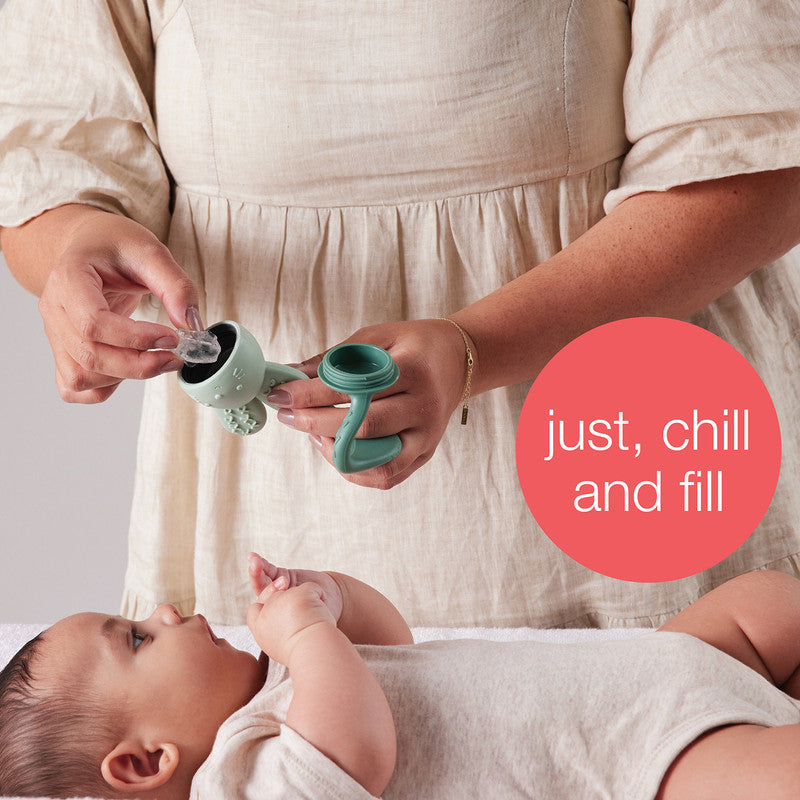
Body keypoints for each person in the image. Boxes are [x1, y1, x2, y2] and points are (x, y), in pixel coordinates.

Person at [1, 1, 800, 628]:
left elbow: (756, 152)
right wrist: (74, 244)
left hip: (621, 459)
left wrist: (474, 346)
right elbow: (47, 152)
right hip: (275, 508)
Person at [3, 555, 800, 799]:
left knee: (766, 601)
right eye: (138, 638)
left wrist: (331, 598)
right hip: (641, 759)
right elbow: (358, 748)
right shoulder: (242, 783)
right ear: (146, 761)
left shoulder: (285, 679)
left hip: (653, 668)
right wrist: (307, 633)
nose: (167, 612)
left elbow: (391, 647)